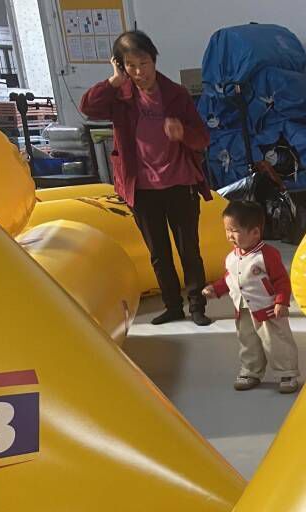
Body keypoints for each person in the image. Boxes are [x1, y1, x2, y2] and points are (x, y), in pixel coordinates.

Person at [80, 30, 212, 326]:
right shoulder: (120, 96)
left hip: (180, 184)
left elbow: (203, 138)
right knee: (158, 253)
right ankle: (173, 306)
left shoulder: (175, 94)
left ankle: (197, 306)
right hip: (141, 188)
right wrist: (114, 80)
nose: (139, 72)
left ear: (154, 60)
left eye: (144, 63)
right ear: (121, 65)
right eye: (130, 65)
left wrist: (183, 133)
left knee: (189, 250)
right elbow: (87, 107)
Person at [204, 200, 300, 394]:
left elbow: (281, 280)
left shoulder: (266, 255)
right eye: (227, 230)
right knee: (247, 341)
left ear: (255, 232)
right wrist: (216, 289)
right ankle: (251, 371)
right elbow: (230, 278)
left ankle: (287, 373)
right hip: (243, 309)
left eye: (234, 230)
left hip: (268, 309)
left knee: (276, 342)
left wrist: (281, 301)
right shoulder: (231, 257)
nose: (229, 235)